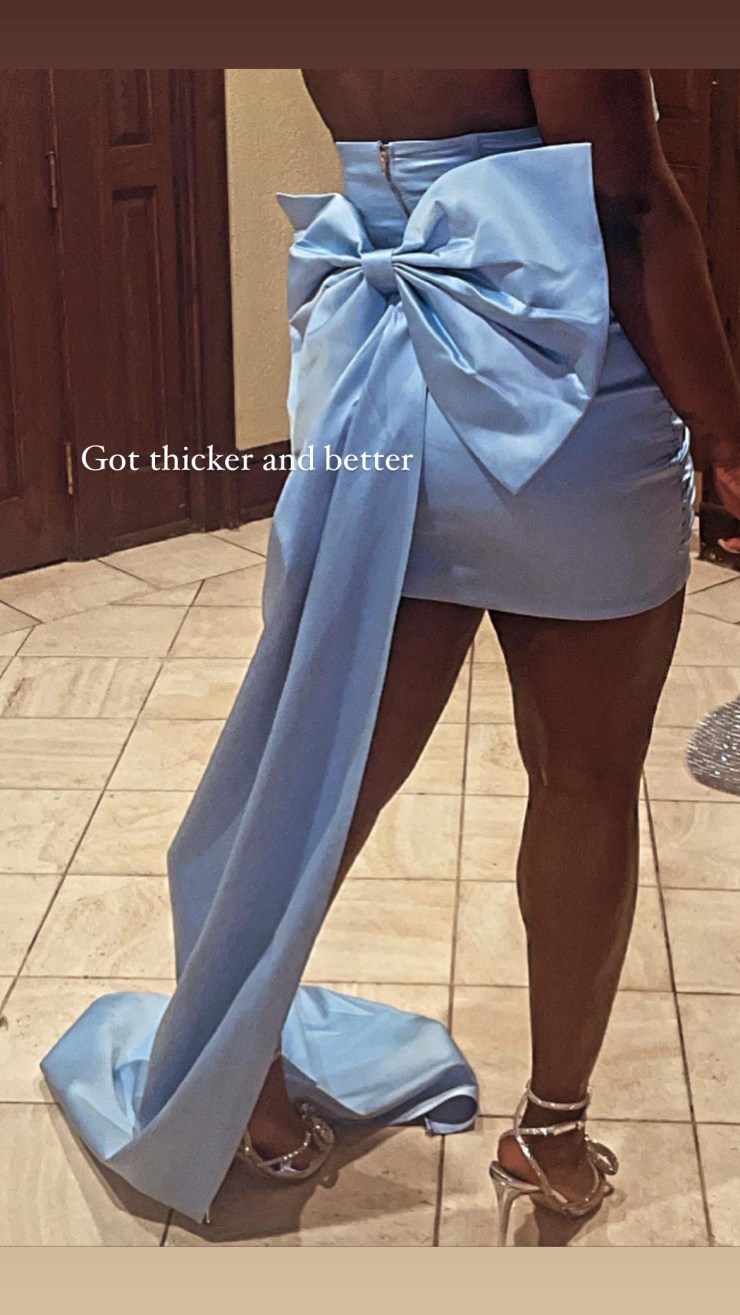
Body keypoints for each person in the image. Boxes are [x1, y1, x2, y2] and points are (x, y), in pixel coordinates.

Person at [42, 69, 740, 1243]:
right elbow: (626, 203)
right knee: (582, 781)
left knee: (326, 771)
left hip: (380, 382)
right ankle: (552, 1134)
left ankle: (246, 1087)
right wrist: (723, 433)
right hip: (562, 389)